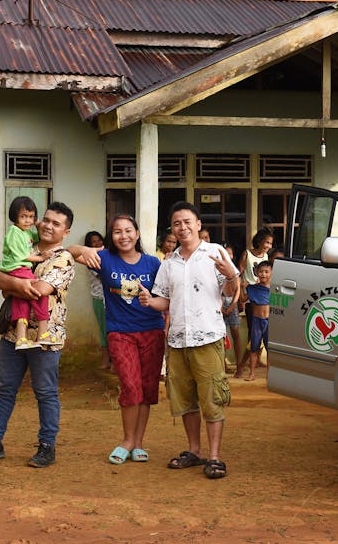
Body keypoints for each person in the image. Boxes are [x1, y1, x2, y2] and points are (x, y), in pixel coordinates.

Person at [0, 201, 96, 468]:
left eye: (56, 223)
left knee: (45, 392)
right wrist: (13, 284)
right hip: (13, 333)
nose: (48, 225)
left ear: (66, 232)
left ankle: (47, 446)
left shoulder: (64, 258)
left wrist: (11, 285)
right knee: (4, 389)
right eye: (46, 220)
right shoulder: (23, 243)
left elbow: (39, 290)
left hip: (45, 339)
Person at [138, 202, 239, 480]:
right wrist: (149, 301)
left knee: (212, 398)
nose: (182, 227)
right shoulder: (169, 263)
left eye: (186, 222)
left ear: (197, 225)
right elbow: (165, 302)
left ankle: (215, 456)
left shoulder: (214, 252)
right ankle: (194, 451)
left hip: (207, 337)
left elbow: (231, 293)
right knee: (185, 400)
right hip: (178, 340)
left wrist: (230, 275)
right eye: (176, 224)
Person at [83, 215, 166, 465]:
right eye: (117, 232)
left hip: (152, 331)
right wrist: (87, 248)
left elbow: (165, 297)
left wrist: (151, 301)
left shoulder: (153, 263)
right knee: (130, 386)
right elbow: (71, 252)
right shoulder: (105, 259)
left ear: (137, 234)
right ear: (111, 237)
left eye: (128, 230)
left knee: (147, 390)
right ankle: (127, 440)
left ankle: (138, 443)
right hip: (120, 332)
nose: (123, 236)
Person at [0, 196, 55, 350]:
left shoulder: (26, 232)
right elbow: (20, 256)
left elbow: (39, 236)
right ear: (14, 216)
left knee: (21, 300)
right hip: (17, 267)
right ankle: (43, 332)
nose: (28, 221)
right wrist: (41, 257)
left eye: (31, 217)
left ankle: (21, 337)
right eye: (23, 216)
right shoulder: (14, 231)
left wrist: (37, 224)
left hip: (20, 268)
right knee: (38, 293)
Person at [238, 228, 273, 362]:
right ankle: (242, 365)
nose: (269, 246)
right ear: (260, 241)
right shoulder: (247, 254)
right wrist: (240, 289)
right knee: (253, 331)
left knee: (262, 331)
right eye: (267, 243)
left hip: (262, 294)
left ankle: (256, 359)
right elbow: (239, 273)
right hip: (249, 295)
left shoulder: (265, 256)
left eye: (270, 244)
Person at [84, 230, 111, 370]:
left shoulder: (108, 257)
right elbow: (105, 277)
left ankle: (112, 362)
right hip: (100, 299)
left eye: (99, 240)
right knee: (104, 330)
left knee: (112, 330)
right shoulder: (91, 260)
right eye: (93, 242)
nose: (97, 243)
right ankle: (106, 361)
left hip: (111, 299)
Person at [245, 260, 272, 381]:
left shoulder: (275, 289)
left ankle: (269, 374)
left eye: (266, 272)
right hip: (257, 321)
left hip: (270, 321)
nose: (263, 274)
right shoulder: (253, 289)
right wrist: (241, 287)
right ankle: (252, 373)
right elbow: (242, 299)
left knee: (269, 349)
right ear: (256, 272)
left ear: (271, 273)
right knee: (254, 348)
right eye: (261, 271)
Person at [221, 243, 244, 377]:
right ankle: (222, 366)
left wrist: (232, 305)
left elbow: (238, 289)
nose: (228, 255)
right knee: (221, 337)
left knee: (236, 335)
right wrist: (221, 307)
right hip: (220, 305)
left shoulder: (234, 270)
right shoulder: (216, 269)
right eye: (225, 253)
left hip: (232, 305)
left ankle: (240, 366)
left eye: (230, 253)